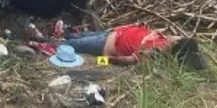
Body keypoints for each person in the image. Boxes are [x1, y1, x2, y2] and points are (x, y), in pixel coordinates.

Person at [61, 23, 207, 69]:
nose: (175, 37)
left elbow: (125, 60)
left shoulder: (152, 55)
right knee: (73, 36)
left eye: (177, 40)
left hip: (106, 44)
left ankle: (41, 43)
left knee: (71, 44)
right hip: (113, 33)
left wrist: (100, 60)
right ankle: (56, 34)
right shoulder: (166, 40)